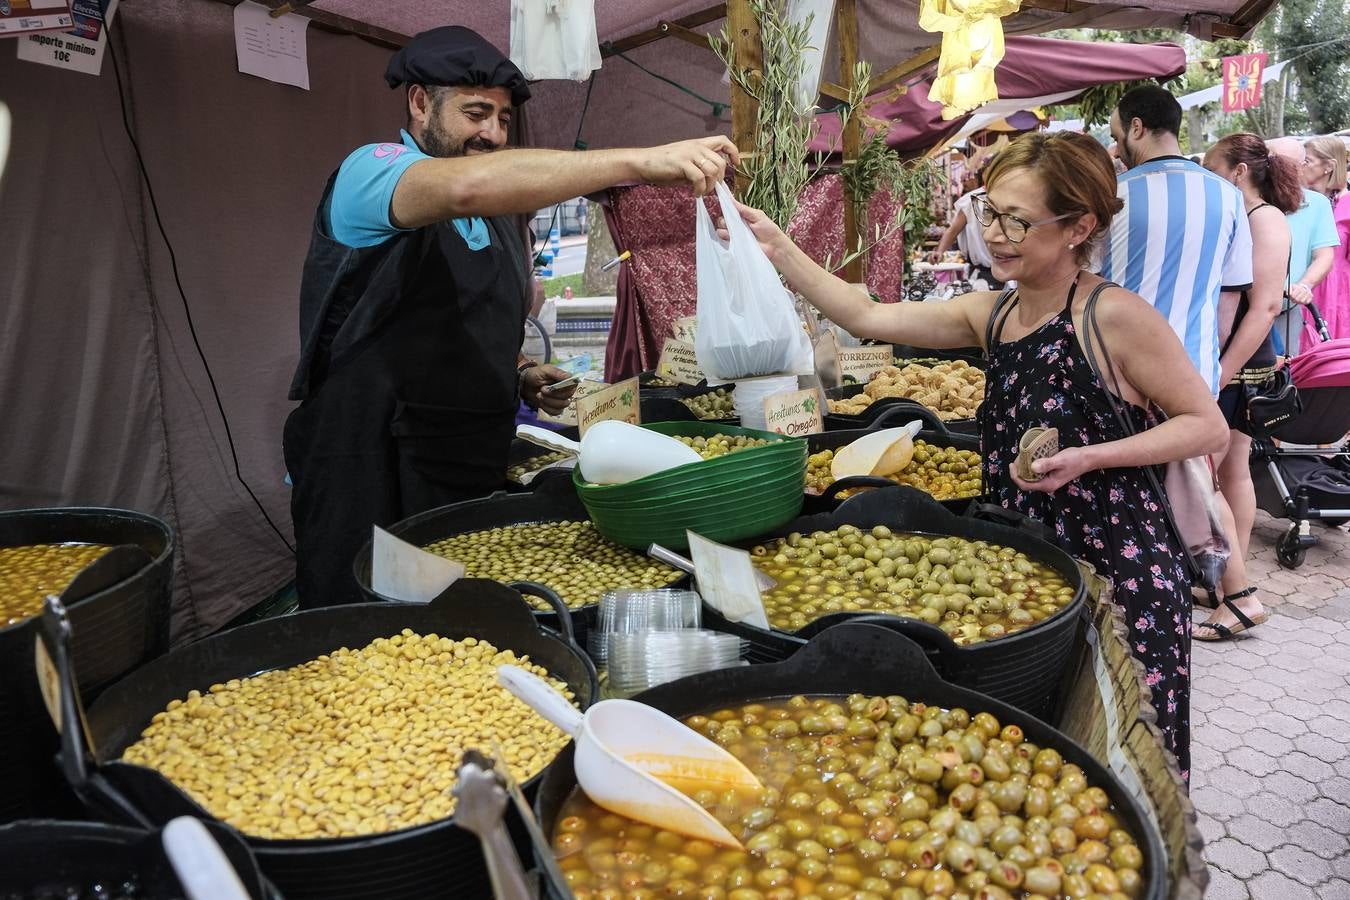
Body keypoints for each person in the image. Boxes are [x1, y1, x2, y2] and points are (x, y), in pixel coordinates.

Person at [724, 131, 1228, 778]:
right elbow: (867, 315)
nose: (994, 233)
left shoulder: (1113, 317)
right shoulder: (991, 314)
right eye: (990, 211)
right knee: (1034, 757)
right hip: (1026, 572)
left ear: (1080, 227)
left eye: (1017, 220)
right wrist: (779, 246)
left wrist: (1092, 457)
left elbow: (1205, 425)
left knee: (1124, 759)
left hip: (1116, 574)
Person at [283, 26, 737, 607]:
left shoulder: (496, 216)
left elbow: (456, 317)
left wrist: (519, 368)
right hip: (367, 465)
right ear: (420, 102)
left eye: (501, 119)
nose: (491, 134)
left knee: (456, 634)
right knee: (363, 635)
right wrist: (637, 161)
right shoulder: (374, 170)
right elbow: (466, 187)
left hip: (460, 460)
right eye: (475, 113)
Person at [1102, 86, 1271, 640]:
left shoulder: (1114, 195)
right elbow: (1228, 302)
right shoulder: (1227, 197)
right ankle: (1208, 587)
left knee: (1186, 484)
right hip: (1194, 366)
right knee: (1193, 478)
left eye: (1115, 128)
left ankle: (1240, 596)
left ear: (1135, 127)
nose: (1114, 140)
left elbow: (1090, 289)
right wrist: (1208, 370)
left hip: (1122, 368)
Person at [1198, 135, 1301, 641]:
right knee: (1231, 473)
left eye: (1212, 167)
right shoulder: (1254, 216)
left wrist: (1219, 371)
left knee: (1211, 474)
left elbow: (1262, 308)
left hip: (1238, 363)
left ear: (1238, 171)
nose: (1207, 176)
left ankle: (1236, 595)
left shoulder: (1264, 219)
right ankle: (1224, 582)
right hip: (1238, 360)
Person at [1302, 136, 1350, 343]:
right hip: (1301, 285)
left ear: (1328, 166)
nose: (1302, 165)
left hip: (1336, 291)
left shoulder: (1346, 204)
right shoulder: (1299, 201)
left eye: (1308, 160)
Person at [930, 171, 1002, 287]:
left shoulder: (1012, 197)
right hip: (983, 272)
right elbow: (953, 231)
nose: (964, 183)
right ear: (984, 176)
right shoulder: (971, 200)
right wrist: (940, 251)